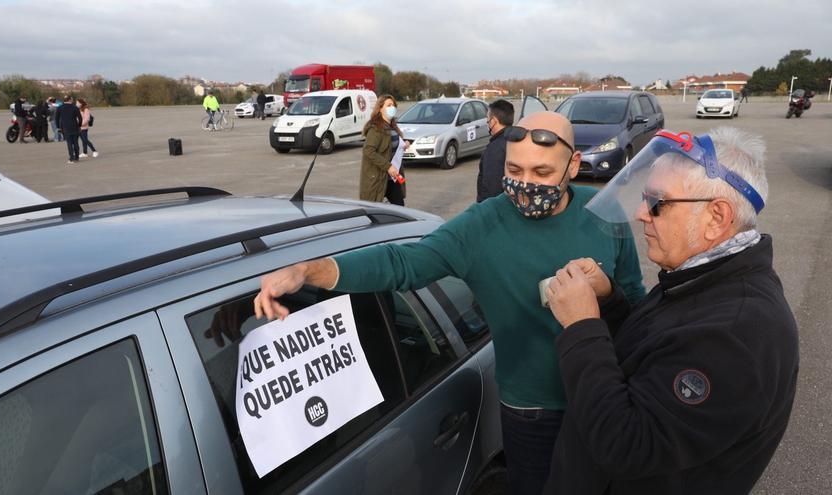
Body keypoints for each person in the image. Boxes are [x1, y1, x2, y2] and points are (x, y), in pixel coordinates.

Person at [254, 111, 646, 494]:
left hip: (609, 399)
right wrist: (310, 271)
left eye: (542, 173)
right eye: (514, 171)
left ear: (573, 166)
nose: (526, 185)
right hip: (533, 414)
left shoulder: (603, 213)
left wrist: (607, 292)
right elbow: (403, 263)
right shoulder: (481, 226)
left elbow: (638, 305)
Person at [542, 127, 798, 494]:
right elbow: (655, 354)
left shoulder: (736, 335)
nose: (641, 213)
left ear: (716, 218)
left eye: (657, 202)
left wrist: (582, 327)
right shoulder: (702, 274)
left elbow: (627, 446)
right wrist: (610, 302)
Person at [360, 95, 408, 206]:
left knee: (399, 208)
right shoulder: (376, 128)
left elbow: (391, 145)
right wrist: (388, 166)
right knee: (373, 210)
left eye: (393, 105)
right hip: (377, 177)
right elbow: (368, 150)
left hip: (392, 177)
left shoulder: (392, 126)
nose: (392, 108)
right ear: (380, 108)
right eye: (388, 105)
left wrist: (404, 144)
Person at [477, 99, 514, 202]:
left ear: (493, 121)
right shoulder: (517, 141)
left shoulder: (494, 149)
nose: (488, 124)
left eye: (488, 121)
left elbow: (491, 188)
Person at [55, 95, 82, 164]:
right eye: (72, 99)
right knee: (76, 143)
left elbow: (56, 118)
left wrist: (58, 127)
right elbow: (80, 118)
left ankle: (71, 158)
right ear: (70, 100)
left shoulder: (60, 108)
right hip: (75, 127)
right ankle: (77, 157)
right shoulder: (75, 107)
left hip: (65, 128)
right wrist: (79, 125)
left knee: (69, 143)